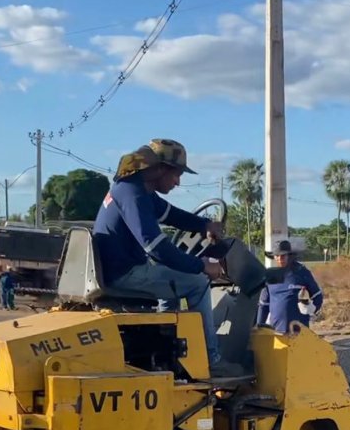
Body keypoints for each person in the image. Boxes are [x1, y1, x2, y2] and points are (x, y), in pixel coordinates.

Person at [93, 139, 241, 377]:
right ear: (160, 168)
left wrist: (204, 225)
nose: (178, 182)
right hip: (125, 275)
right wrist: (201, 266)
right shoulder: (134, 194)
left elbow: (171, 215)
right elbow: (157, 248)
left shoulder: (136, 189)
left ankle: (170, 351)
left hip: (119, 270)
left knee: (175, 276)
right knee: (197, 283)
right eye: (177, 174)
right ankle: (211, 361)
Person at [256, 239, 324, 333]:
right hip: (277, 332)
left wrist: (310, 310)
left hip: (299, 332)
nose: (280, 259)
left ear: (289, 256)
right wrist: (259, 327)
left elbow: (318, 297)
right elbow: (263, 305)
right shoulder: (270, 276)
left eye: (283, 256)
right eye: (277, 256)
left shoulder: (302, 273)